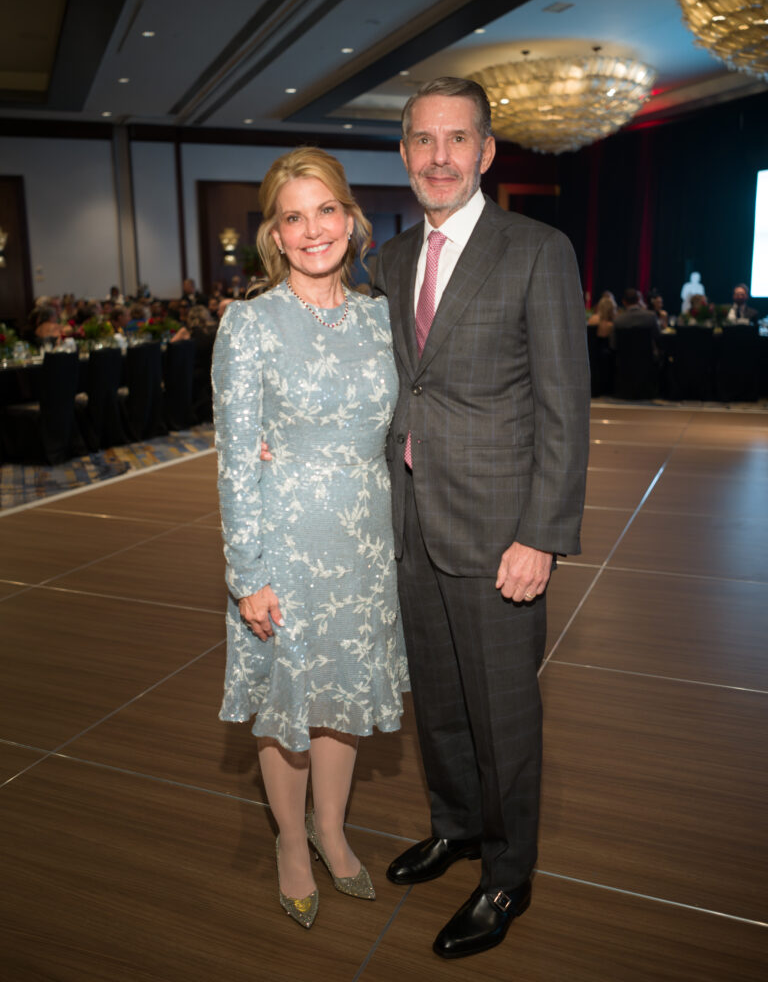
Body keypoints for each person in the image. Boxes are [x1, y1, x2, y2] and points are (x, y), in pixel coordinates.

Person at [372, 77, 590, 959]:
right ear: (403, 154)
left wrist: (541, 533)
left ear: (487, 151)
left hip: (502, 532)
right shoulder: (387, 261)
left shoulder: (536, 250)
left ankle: (507, 873)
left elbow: (564, 409)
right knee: (441, 704)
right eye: (423, 141)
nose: (439, 157)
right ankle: (456, 824)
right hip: (412, 525)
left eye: (458, 139)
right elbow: (387, 388)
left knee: (503, 714)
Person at [212, 147, 409, 930]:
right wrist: (246, 575)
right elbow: (234, 462)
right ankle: (292, 840)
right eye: (293, 216)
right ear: (275, 235)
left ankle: (333, 827)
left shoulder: (381, 316)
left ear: (352, 218)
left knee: (343, 697)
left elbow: (411, 410)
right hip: (284, 548)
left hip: (366, 545)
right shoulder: (251, 325)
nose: (313, 228)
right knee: (289, 707)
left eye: (325, 209)